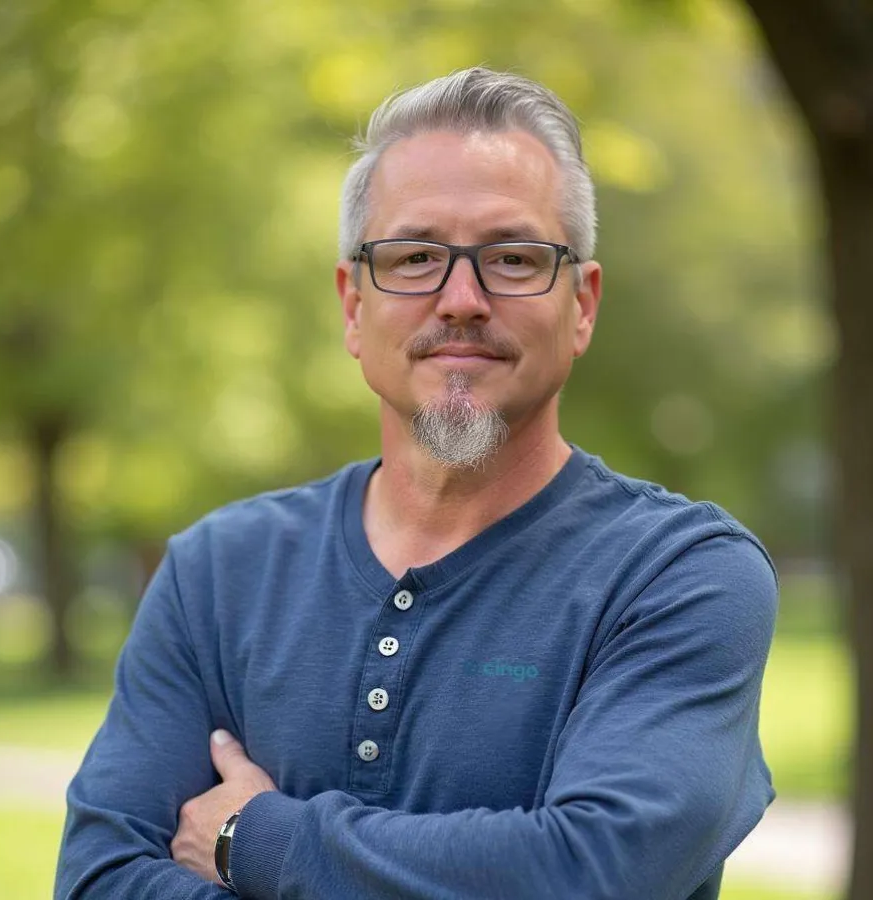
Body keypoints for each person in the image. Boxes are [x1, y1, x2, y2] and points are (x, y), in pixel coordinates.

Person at [54, 67, 777, 900]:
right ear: (352, 305)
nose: (461, 299)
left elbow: (592, 871)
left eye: (513, 258)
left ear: (581, 305)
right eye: (415, 256)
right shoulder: (216, 573)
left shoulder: (681, 576)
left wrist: (255, 839)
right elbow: (98, 880)